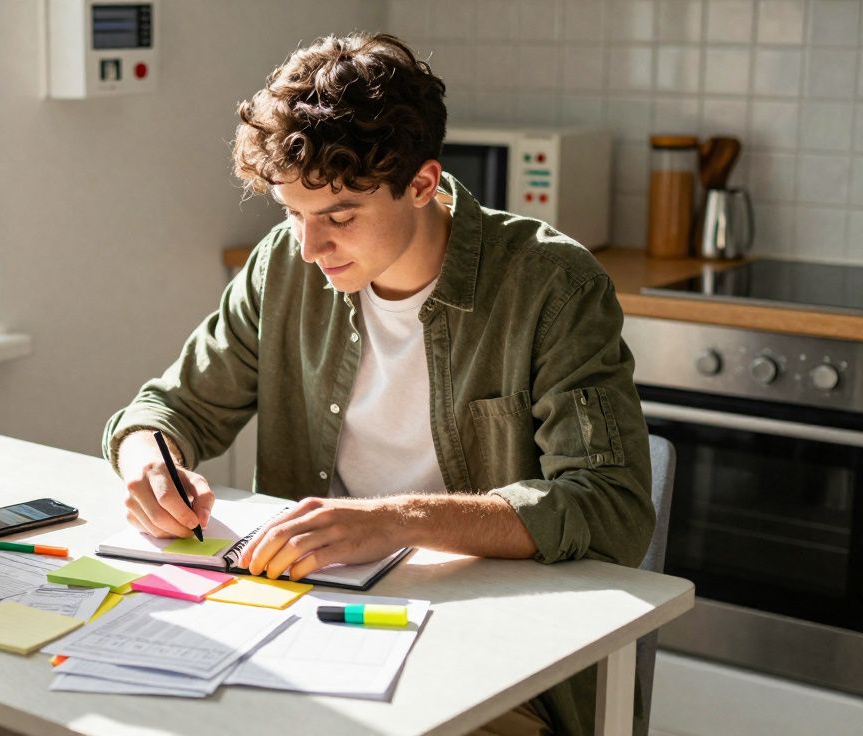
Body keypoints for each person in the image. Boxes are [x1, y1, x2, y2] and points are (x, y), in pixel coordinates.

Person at [102, 32, 654, 736]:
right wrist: (150, 458)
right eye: (292, 214)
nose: (309, 247)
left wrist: (391, 521)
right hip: (308, 628)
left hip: (494, 653)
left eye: (338, 216)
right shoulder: (285, 265)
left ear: (422, 184)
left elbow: (610, 508)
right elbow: (165, 409)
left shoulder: (552, 285)